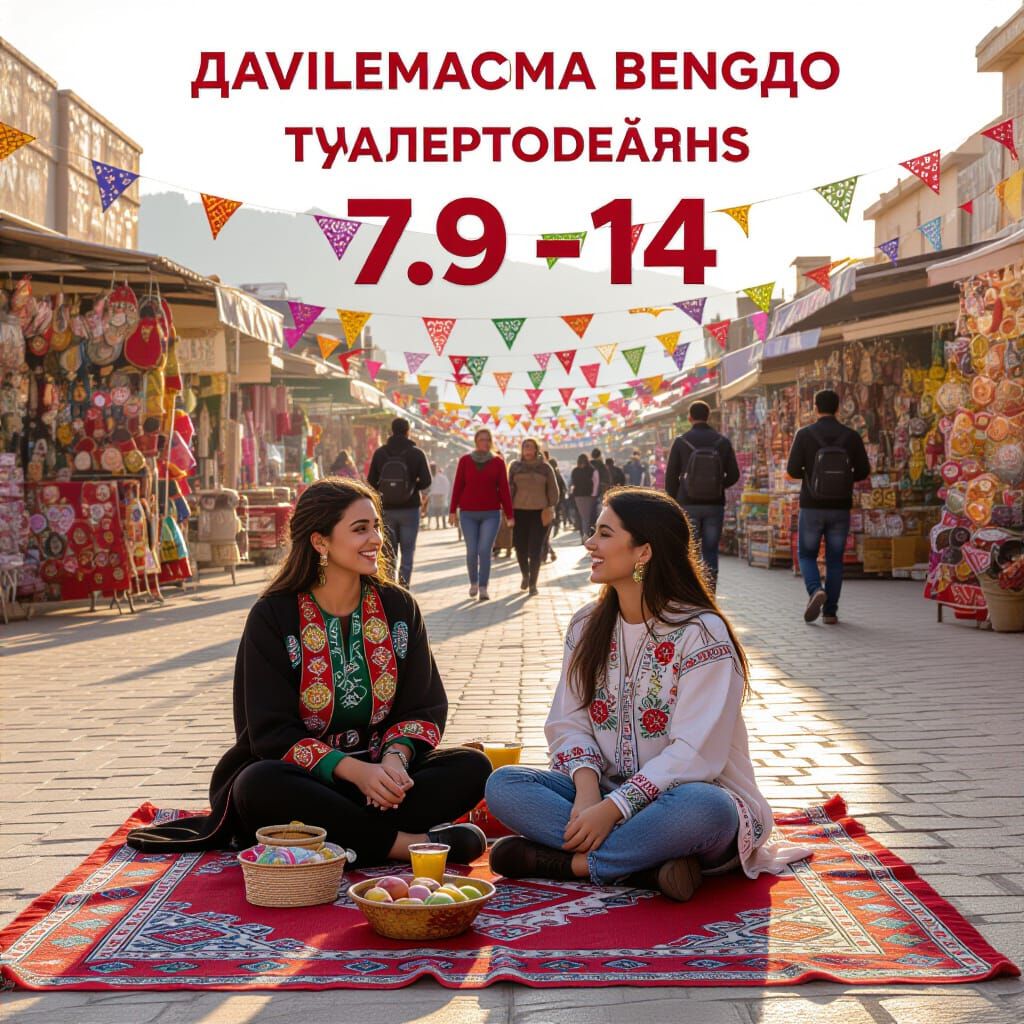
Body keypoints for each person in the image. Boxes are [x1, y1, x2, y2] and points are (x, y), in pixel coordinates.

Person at [125, 478, 491, 867]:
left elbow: (423, 705)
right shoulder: (273, 616)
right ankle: (406, 844)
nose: (376, 539)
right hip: (306, 782)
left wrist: (392, 764)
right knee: (257, 785)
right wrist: (354, 772)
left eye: (376, 526)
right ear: (320, 542)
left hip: (379, 779)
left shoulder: (399, 608)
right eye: (360, 529)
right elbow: (271, 732)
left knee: (473, 767)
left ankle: (342, 838)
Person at [483, 488, 812, 900]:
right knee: (504, 784)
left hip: (685, 799)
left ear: (643, 552)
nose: (589, 544)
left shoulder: (701, 633)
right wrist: (588, 792)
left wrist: (613, 810)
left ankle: (572, 864)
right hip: (603, 792)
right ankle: (647, 865)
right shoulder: (586, 625)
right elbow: (568, 721)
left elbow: (694, 753)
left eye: (604, 534)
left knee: (704, 809)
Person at [786, 389, 871, 625]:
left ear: (815, 408)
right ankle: (830, 612)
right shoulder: (851, 436)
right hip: (840, 507)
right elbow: (863, 471)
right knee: (835, 560)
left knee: (807, 554)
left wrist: (810, 474)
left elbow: (793, 470)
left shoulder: (804, 435)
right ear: (838, 408)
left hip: (812, 506)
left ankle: (815, 590)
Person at [664, 401, 740, 591]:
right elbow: (734, 474)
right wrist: (718, 487)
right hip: (714, 505)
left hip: (688, 504)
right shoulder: (722, 442)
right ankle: (710, 592)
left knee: (690, 549)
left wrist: (675, 499)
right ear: (708, 416)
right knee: (711, 550)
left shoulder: (681, 441)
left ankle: (691, 591)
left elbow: (670, 476)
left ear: (690, 417)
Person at [449, 429, 514, 601]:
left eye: (487, 439)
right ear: (476, 441)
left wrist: (509, 514)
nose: (484, 442)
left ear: (491, 442)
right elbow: (458, 486)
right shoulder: (465, 461)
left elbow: (504, 489)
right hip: (468, 513)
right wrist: (452, 510)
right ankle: (474, 583)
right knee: (472, 550)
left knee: (485, 550)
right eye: (481, 439)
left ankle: (483, 587)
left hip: (491, 513)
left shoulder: (498, 462)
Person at [367, 419, 432, 587]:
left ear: (391, 431)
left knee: (388, 551)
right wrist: (411, 488)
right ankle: (403, 587)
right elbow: (426, 481)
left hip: (386, 508)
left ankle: (390, 587)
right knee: (408, 551)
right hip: (410, 508)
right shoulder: (417, 453)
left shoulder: (380, 453)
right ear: (408, 431)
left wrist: (385, 491)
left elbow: (371, 481)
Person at [509, 438, 560, 596]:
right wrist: (507, 509)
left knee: (535, 548)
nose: (527, 449)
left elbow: (553, 489)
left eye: (530, 447)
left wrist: (551, 505)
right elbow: (509, 488)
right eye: (525, 446)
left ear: (536, 449)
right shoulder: (515, 467)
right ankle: (525, 575)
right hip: (519, 512)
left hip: (540, 513)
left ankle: (533, 583)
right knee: (520, 547)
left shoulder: (545, 468)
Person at [569, 453, 597, 543]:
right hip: (589, 495)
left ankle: (584, 536)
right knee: (587, 517)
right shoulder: (592, 470)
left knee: (583, 517)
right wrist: (594, 494)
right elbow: (596, 482)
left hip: (578, 496)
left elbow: (572, 483)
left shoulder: (575, 471)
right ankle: (586, 536)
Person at [587, 448, 611, 533]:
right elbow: (607, 480)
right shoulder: (602, 466)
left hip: (588, 492)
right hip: (600, 492)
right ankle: (598, 529)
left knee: (590, 512)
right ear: (600, 455)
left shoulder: (588, 465)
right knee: (600, 512)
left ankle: (589, 530)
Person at [425, 462, 450, 530]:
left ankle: (441, 525)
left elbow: (446, 486)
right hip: (435, 496)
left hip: (439, 496)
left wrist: (445, 495)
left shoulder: (440, 477)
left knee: (440, 511)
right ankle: (439, 525)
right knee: (438, 511)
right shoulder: (433, 477)